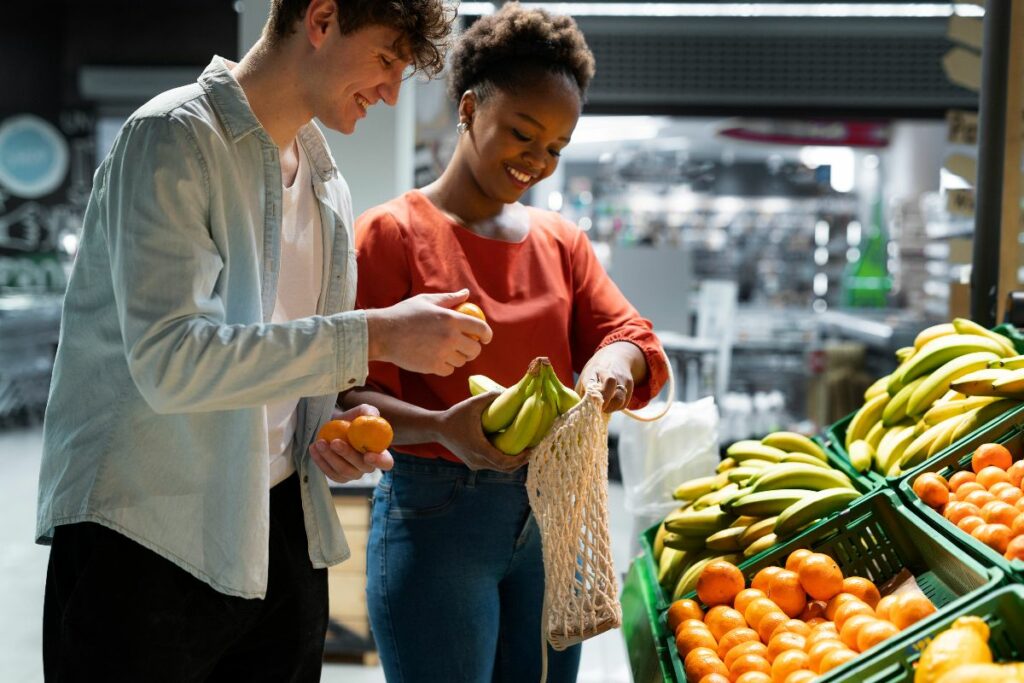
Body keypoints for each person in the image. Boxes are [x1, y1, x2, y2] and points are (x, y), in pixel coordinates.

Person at [35, 1, 487, 681]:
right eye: (387, 58)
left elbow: (274, 368)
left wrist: (327, 425)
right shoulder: (173, 137)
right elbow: (173, 361)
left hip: (280, 533)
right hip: (147, 537)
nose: (393, 92)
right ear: (323, 18)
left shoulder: (326, 184)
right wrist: (376, 334)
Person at [328, 4, 670, 681]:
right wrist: (440, 427)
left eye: (555, 148)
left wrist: (610, 364)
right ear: (467, 108)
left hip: (553, 517)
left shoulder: (560, 243)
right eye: (522, 132)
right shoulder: (389, 234)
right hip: (436, 517)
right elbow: (347, 392)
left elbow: (632, 337)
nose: (536, 161)